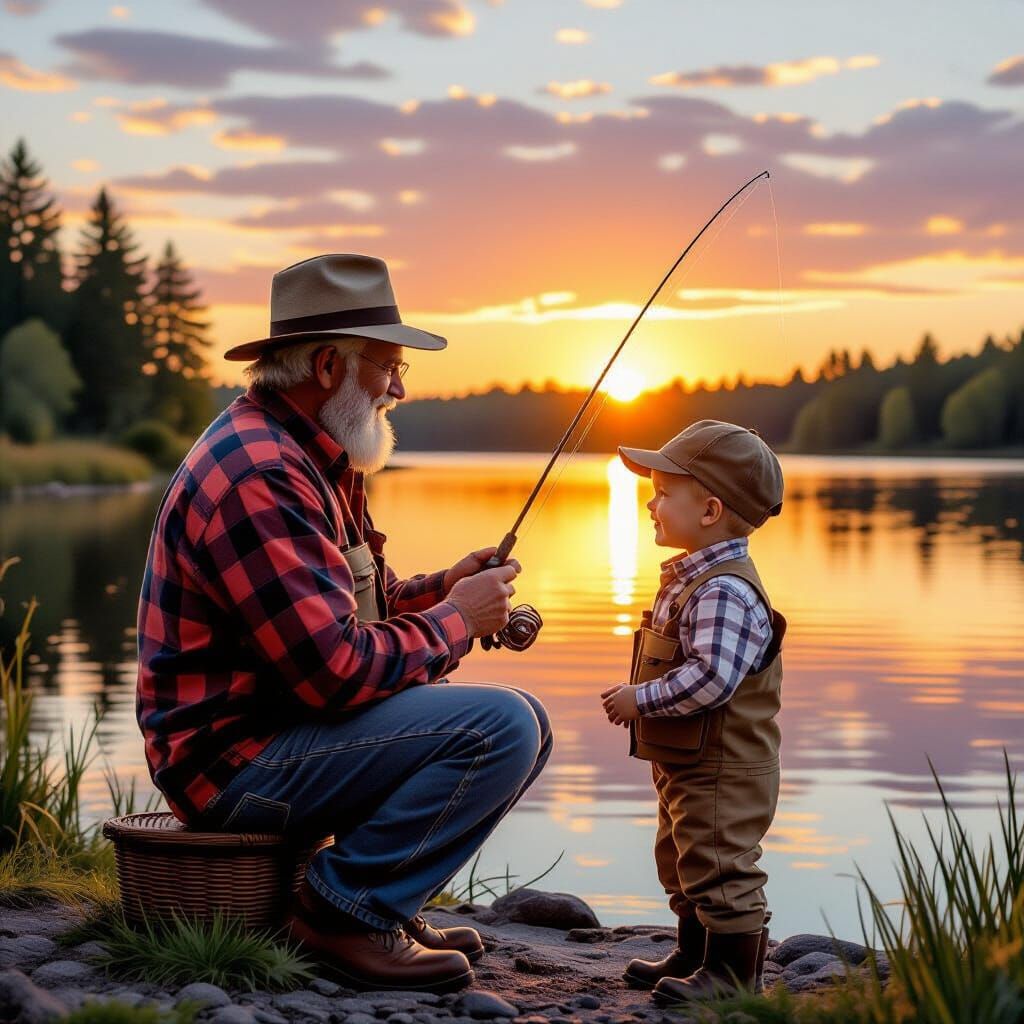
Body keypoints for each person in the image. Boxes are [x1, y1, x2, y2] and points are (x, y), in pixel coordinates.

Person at [136, 253, 552, 993]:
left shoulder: (315, 455)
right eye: (388, 366)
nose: (398, 387)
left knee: (524, 721)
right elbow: (335, 672)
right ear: (328, 365)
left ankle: (380, 903)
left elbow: (362, 608)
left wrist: (443, 589)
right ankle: (343, 915)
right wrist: (459, 620)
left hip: (282, 734)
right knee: (504, 726)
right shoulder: (261, 474)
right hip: (234, 769)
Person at [600, 420, 786, 1005]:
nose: (650, 505)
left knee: (720, 863)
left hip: (725, 765)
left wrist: (639, 700)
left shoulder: (723, 591)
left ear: (709, 511)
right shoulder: (693, 578)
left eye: (661, 494)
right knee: (681, 855)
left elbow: (712, 679)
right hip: (688, 760)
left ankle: (733, 977)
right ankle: (694, 951)